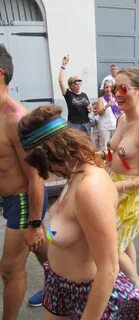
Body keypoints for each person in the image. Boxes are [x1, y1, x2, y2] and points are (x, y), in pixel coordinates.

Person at [18, 105, 139, 319]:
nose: (44, 171)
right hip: (60, 287)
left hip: (87, 296)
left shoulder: (90, 189)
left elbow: (108, 269)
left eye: (43, 163)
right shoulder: (74, 173)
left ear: (54, 152)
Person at [0, 44, 48, 318]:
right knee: (43, 252)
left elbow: (37, 177)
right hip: (8, 199)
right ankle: (65, 281)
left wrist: (34, 223)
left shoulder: (17, 118)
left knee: (9, 269)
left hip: (23, 200)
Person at [103, 67, 139, 290]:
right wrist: (100, 158)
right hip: (114, 187)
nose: (116, 93)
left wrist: (119, 185)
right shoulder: (121, 119)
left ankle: (136, 284)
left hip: (134, 195)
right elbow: (115, 153)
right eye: (113, 88)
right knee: (124, 240)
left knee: (110, 245)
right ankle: (130, 276)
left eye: (123, 88)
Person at [59, 55, 91, 134]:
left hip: (86, 123)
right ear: (71, 85)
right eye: (76, 82)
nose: (78, 84)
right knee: (74, 144)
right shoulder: (68, 94)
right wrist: (63, 65)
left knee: (86, 143)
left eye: (80, 82)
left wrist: (90, 108)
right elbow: (61, 81)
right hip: (74, 124)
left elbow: (90, 108)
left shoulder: (84, 95)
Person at [96, 80, 121, 150]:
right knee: (105, 147)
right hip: (105, 127)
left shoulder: (116, 98)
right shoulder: (101, 99)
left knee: (115, 146)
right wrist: (107, 105)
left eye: (110, 87)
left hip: (115, 126)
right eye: (106, 87)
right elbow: (100, 113)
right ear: (104, 89)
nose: (108, 89)